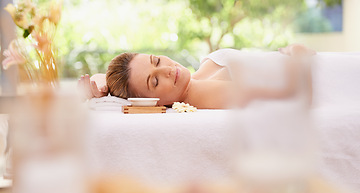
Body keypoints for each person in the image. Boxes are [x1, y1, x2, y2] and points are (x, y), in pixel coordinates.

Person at [78, 44, 315, 109]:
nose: (167, 70)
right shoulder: (208, 95)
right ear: (153, 102)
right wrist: (299, 57)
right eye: (155, 81)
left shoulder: (199, 76)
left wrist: (103, 83)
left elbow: (109, 77)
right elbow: (294, 96)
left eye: (156, 61)